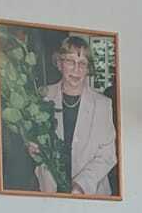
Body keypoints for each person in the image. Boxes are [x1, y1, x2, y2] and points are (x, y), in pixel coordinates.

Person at [27, 35, 117, 196]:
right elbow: (34, 141)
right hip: (50, 191)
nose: (77, 69)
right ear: (59, 63)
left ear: (88, 69)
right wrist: (32, 147)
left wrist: (80, 186)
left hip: (90, 193)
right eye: (70, 61)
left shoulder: (103, 105)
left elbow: (107, 155)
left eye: (82, 63)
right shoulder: (42, 96)